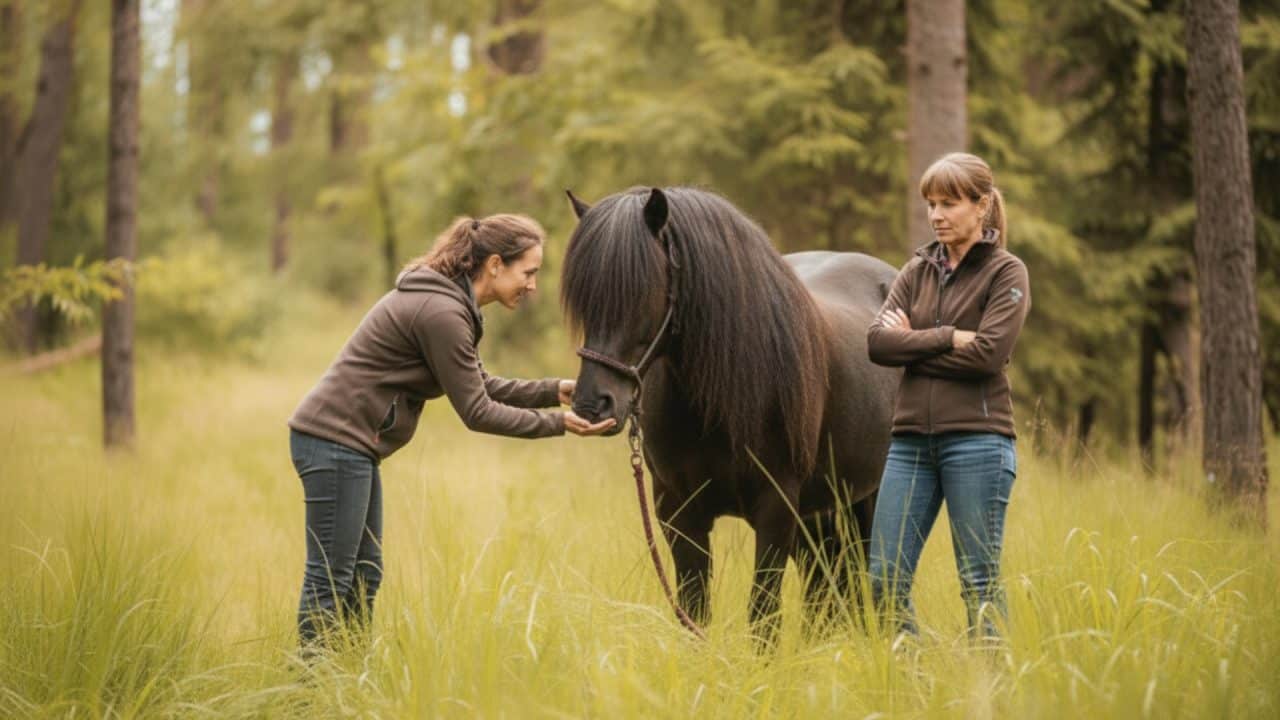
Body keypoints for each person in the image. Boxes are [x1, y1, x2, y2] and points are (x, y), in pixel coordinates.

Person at [287, 214, 614, 648]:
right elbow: (477, 411)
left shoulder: (451, 304)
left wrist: (553, 391)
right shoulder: (442, 312)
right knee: (331, 578)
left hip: (350, 446)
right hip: (334, 442)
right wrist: (558, 423)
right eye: (528, 272)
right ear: (495, 265)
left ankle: (346, 670)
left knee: (364, 575)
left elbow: (481, 384)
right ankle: (311, 684)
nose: (533, 285)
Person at [865, 152, 1030, 641]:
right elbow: (877, 345)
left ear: (981, 206)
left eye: (949, 204)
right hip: (909, 445)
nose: (936, 215)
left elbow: (987, 356)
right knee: (883, 580)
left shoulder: (1006, 273)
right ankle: (913, 673)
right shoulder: (915, 270)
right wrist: (947, 337)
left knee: (979, 583)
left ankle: (989, 680)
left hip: (979, 442)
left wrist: (912, 346)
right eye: (931, 204)